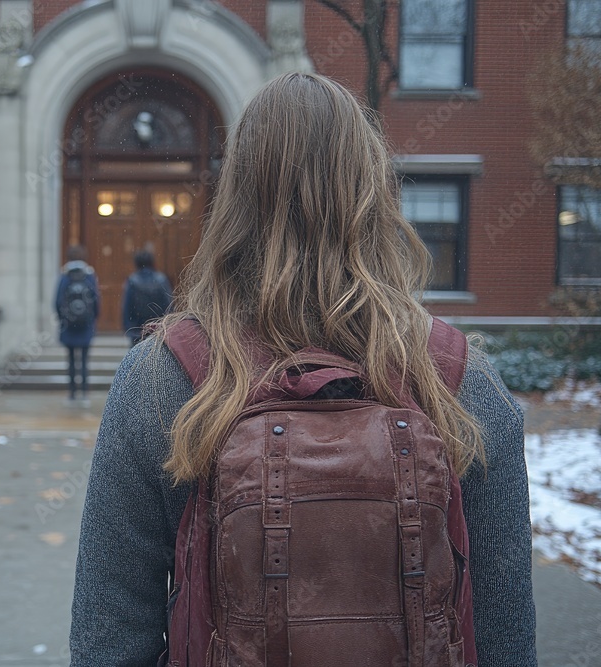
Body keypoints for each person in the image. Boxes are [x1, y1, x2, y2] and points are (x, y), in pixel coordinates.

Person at [70, 73, 536, 665]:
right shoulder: (461, 383)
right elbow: (505, 636)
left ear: (234, 197)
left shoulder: (163, 381)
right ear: (375, 195)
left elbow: (108, 637)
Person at [54, 245, 99, 403]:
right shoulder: (89, 276)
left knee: (72, 359)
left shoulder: (65, 276)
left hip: (68, 324)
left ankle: (72, 393)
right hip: (86, 324)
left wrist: (63, 319)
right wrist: (93, 318)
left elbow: (58, 301)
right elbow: (95, 300)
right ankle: (85, 392)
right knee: (85, 360)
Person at [121, 249, 173, 346]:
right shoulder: (161, 280)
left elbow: (127, 306)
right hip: (158, 328)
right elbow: (168, 304)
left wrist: (128, 327)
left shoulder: (132, 281)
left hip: (137, 329)